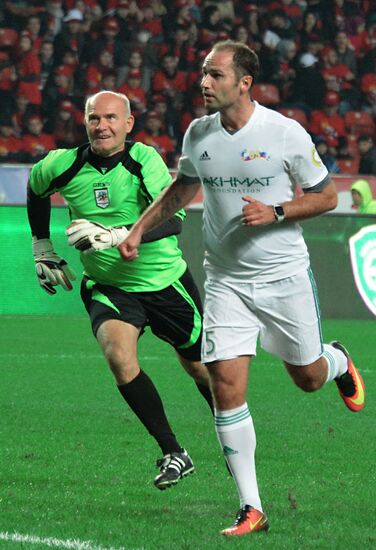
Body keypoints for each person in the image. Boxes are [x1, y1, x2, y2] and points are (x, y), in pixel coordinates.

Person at [118, 40, 366, 537]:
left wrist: (276, 212)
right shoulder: (199, 133)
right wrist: (140, 228)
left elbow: (326, 197)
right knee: (225, 386)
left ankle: (335, 359)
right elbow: (184, 186)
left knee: (308, 377)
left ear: (244, 82)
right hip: (225, 279)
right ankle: (251, 507)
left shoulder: (284, 133)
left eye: (215, 75)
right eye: (204, 74)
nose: (204, 83)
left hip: (283, 276)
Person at [26, 90, 214, 491]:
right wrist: (41, 245)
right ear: (85, 122)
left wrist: (117, 235)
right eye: (95, 118)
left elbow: (176, 218)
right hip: (110, 286)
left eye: (112, 118)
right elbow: (35, 189)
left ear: (128, 124)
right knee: (118, 355)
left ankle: (233, 435)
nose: (102, 125)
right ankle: (173, 451)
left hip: (163, 281)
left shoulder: (143, 160)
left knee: (200, 368)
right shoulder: (62, 164)